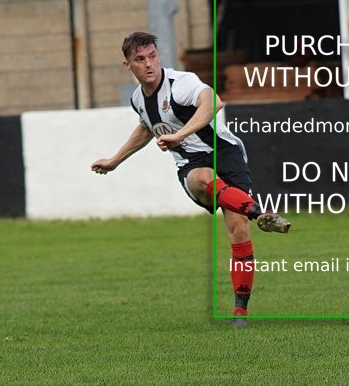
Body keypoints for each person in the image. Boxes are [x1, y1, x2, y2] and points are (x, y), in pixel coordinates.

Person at [91, 32, 290, 322]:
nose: (149, 64)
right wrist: (114, 161)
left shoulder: (181, 83)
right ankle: (259, 213)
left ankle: (239, 313)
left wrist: (179, 134)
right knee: (201, 177)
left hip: (226, 153)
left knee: (238, 232)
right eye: (140, 59)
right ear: (128, 65)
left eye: (152, 56)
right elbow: (146, 128)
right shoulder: (138, 100)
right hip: (192, 163)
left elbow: (215, 103)